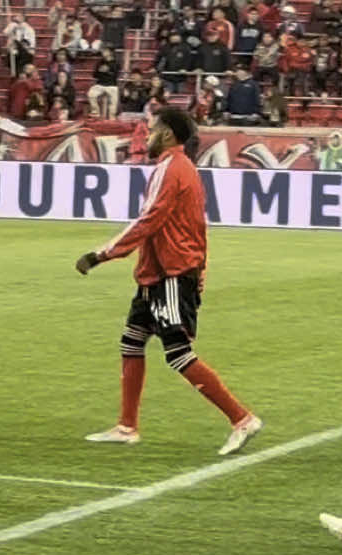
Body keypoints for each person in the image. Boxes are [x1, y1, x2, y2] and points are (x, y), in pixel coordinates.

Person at [74, 105, 262, 456]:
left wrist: (101, 254)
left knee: (178, 353)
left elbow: (149, 220)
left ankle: (242, 418)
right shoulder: (179, 168)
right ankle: (126, 426)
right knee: (132, 343)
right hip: (159, 274)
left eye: (153, 128)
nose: (147, 134)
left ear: (169, 135)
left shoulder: (172, 167)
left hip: (171, 275)